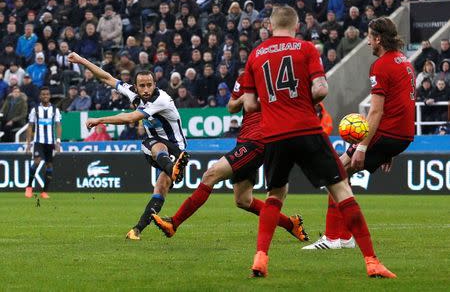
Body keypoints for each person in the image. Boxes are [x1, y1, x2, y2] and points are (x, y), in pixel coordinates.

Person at [242, 6, 395, 278]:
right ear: (296, 24)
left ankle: (260, 258)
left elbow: (250, 103)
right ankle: (372, 261)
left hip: (274, 134)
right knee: (341, 190)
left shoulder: (255, 54)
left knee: (275, 195)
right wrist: (300, 101)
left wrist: (276, 104)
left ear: (270, 25)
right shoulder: (305, 49)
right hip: (305, 129)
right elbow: (321, 89)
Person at [303, 18, 415, 256]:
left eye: (368, 36)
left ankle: (334, 237)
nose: (366, 42)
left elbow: (376, 111)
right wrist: (388, 148)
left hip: (387, 133)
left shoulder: (381, 65)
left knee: (334, 174)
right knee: (342, 174)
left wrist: (363, 146)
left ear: (377, 38)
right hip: (400, 134)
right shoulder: (403, 61)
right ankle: (343, 237)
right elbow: (401, 104)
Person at [152, 73, 308, 243]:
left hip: (258, 141)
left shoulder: (278, 80)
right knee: (243, 200)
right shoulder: (244, 78)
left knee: (210, 175)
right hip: (244, 140)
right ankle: (291, 224)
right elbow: (231, 107)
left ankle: (173, 223)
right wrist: (244, 98)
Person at [68, 51, 190, 240]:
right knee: (159, 186)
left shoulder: (161, 99)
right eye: (142, 86)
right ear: (135, 87)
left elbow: (131, 118)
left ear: (155, 84)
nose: (146, 89)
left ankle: (172, 168)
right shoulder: (132, 93)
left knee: (152, 151)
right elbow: (106, 77)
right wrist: (81, 60)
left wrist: (100, 119)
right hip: (169, 156)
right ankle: (137, 230)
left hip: (176, 149)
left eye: (150, 84)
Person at [25, 87, 62, 199]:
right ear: (40, 96)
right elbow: (30, 126)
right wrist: (28, 143)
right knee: (36, 162)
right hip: (38, 141)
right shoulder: (35, 109)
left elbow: (58, 125)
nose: (45, 96)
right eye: (43, 94)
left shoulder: (55, 110)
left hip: (50, 142)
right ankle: (29, 187)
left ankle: (44, 192)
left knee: (49, 166)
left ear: (49, 96)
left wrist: (58, 142)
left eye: (47, 94)